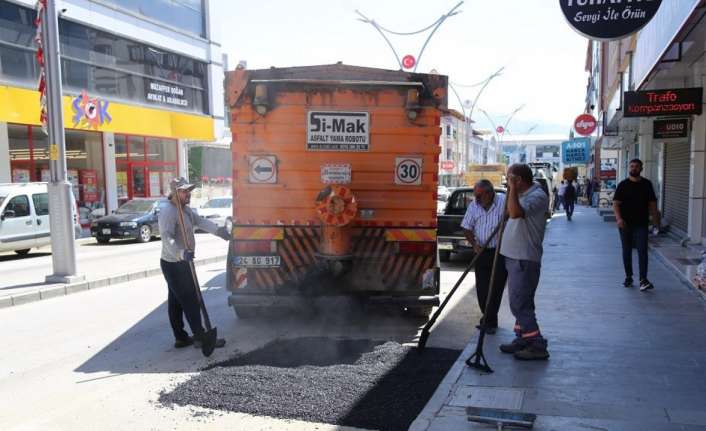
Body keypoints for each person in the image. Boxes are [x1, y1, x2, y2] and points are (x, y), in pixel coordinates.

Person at [159, 177, 231, 349]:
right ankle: (200, 337)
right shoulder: (169, 212)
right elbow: (166, 238)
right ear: (175, 193)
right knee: (191, 299)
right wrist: (181, 253)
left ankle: (181, 338)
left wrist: (219, 231)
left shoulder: (185, 210)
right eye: (184, 191)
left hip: (182, 262)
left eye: (189, 190)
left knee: (176, 301)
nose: (188, 194)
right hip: (174, 264)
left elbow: (201, 222)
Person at [499, 164, 550, 360]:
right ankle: (523, 338)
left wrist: (511, 189)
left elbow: (515, 213)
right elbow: (507, 212)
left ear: (519, 179)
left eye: (510, 178)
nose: (507, 181)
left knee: (519, 304)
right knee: (521, 301)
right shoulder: (522, 194)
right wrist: (511, 190)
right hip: (514, 256)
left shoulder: (537, 196)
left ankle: (537, 344)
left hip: (524, 257)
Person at [461, 180, 507, 335]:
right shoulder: (475, 205)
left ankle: (490, 322)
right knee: (482, 289)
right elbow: (466, 227)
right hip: (481, 251)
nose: (477, 199)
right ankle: (487, 318)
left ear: (489, 193)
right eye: (475, 196)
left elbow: (513, 221)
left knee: (496, 288)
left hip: (500, 252)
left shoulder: (504, 201)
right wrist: (474, 245)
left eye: (479, 196)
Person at [612, 159, 660, 291]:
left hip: (641, 224)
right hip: (625, 224)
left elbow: (653, 205)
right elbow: (616, 203)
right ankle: (628, 277)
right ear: (629, 168)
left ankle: (643, 279)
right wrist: (619, 219)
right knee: (626, 251)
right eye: (632, 166)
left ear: (641, 168)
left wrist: (656, 223)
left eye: (637, 166)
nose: (634, 168)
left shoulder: (647, 184)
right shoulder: (623, 185)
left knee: (642, 251)